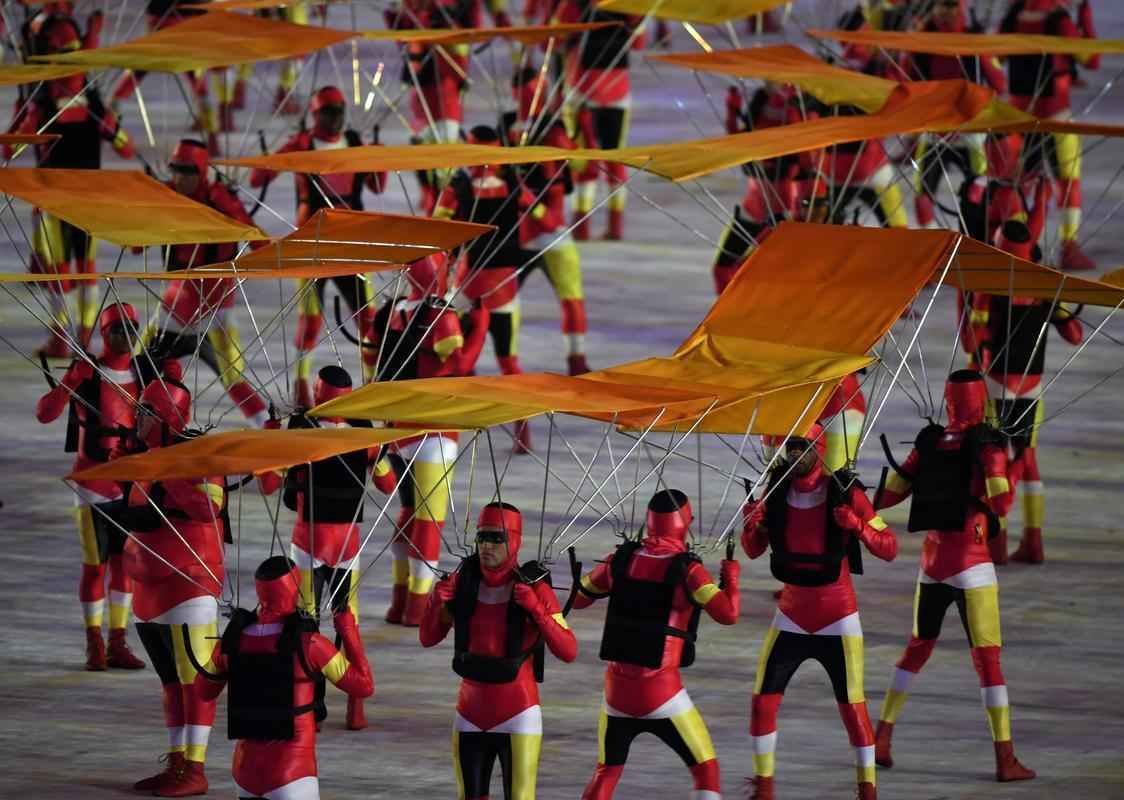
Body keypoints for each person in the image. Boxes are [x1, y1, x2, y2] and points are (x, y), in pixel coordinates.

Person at [872, 369, 1035, 782]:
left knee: (916, 648)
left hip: (932, 565)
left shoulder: (928, 442)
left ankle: (883, 736)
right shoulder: (987, 444)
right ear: (981, 400)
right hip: (973, 563)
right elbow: (1001, 504)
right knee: (988, 661)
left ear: (948, 402)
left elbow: (888, 495)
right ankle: (1005, 757)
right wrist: (1018, 464)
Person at [741, 425, 898, 800]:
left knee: (852, 709)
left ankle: (868, 790)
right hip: (792, 614)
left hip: (837, 618)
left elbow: (889, 548)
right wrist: (753, 524)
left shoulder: (845, 492)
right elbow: (751, 550)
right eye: (790, 447)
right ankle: (764, 789)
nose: (795, 454)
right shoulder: (775, 491)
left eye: (802, 447)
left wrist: (858, 526)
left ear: (819, 448)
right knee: (762, 703)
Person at [573, 489, 740, 799]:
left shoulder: (620, 560)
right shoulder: (688, 571)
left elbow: (579, 599)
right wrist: (732, 579)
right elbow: (729, 614)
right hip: (661, 693)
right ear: (684, 522)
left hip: (617, 694)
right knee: (706, 770)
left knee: (607, 770)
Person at [420, 502, 578, 799]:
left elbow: (569, 650)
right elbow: (428, 638)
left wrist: (537, 610)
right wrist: (435, 604)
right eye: (481, 537)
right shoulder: (463, 583)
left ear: (515, 540)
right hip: (469, 713)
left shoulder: (534, 587)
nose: (486, 546)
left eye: (496, 538)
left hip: (518, 714)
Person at [120, 369, 228, 797]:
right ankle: (178, 761)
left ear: (167, 415)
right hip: (149, 594)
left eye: (145, 410)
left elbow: (207, 508)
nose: (136, 417)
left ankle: (196, 769)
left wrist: (169, 476)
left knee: (194, 684)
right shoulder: (144, 458)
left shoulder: (200, 458)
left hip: (190, 588)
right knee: (170, 685)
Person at [248, 86, 388, 403]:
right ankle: (301, 389)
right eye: (329, 113)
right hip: (312, 246)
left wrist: (378, 159)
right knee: (310, 322)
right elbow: (257, 180)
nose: (336, 119)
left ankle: (373, 385)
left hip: (350, 245)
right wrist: (272, 159)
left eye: (340, 111)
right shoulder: (302, 144)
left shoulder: (353, 143)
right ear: (315, 115)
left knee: (370, 321)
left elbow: (377, 186)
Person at [370, 257, 490, 626]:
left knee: (408, 515)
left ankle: (398, 601)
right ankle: (418, 609)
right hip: (434, 432)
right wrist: (481, 328)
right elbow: (459, 366)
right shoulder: (439, 315)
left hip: (397, 430)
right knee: (429, 522)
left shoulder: (390, 312)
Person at [6, 9, 133, 357]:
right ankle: (81, 338)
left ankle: (65, 336)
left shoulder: (41, 102)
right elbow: (125, 147)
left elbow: (11, 148)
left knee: (62, 269)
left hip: (57, 200)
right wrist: (112, 125)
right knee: (83, 268)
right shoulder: (90, 102)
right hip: (86, 199)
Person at [194, 555, 374, 800]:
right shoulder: (310, 644)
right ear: (294, 588)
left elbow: (203, 692)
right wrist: (349, 631)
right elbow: (363, 686)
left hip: (244, 771)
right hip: (293, 773)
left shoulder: (234, 639)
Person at [35, 303, 150, 671]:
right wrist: (70, 380)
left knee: (125, 566)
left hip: (131, 485)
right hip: (92, 486)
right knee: (95, 566)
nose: (127, 337)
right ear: (105, 333)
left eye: (133, 329)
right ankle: (94, 641)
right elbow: (45, 413)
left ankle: (118, 640)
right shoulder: (89, 373)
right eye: (119, 329)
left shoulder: (145, 374)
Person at [283, 365, 395, 729]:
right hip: (347, 544)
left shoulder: (301, 429)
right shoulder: (364, 433)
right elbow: (389, 486)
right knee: (348, 623)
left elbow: (273, 484)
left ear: (320, 393)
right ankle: (354, 704)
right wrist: (381, 453)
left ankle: (309, 705)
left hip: (309, 542)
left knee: (306, 625)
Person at [968, 222, 1083, 564]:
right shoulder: (1044, 284)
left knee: (994, 461)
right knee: (1028, 461)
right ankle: (1034, 541)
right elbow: (1075, 335)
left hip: (996, 384)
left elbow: (973, 340)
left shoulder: (990, 284)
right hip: (1033, 387)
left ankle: (997, 543)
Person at [142, 138, 270, 427]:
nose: (179, 178)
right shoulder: (168, 196)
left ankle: (270, 433)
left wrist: (233, 216)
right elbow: (137, 245)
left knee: (234, 379)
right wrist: (145, 206)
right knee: (138, 371)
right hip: (173, 310)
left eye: (187, 171)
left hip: (214, 314)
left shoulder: (221, 199)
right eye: (175, 170)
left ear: (201, 171)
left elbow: (261, 244)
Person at [434, 125, 538, 451]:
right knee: (507, 360)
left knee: (459, 355)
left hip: (475, 285)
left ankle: (466, 416)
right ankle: (522, 429)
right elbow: (539, 211)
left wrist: (443, 272)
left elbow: (438, 226)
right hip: (500, 286)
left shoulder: (460, 185)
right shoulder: (511, 184)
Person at [1000, 0, 1100, 270]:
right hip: (1055, 119)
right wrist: (1086, 17)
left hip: (1018, 117)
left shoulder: (1013, 17)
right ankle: (1068, 247)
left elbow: (994, 60)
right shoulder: (1060, 21)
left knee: (1018, 184)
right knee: (1067, 183)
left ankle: (1015, 245)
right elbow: (1091, 59)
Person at [508, 67, 591, 376]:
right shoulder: (540, 131)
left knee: (505, 302)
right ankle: (574, 358)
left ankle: (575, 358)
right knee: (505, 302)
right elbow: (582, 163)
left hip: (538, 233)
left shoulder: (534, 130)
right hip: (535, 234)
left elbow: (579, 164)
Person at [908, 0, 1006, 229]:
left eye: (951, 5)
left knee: (980, 189)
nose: (945, 11)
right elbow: (907, 82)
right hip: (935, 131)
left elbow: (999, 83)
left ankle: (975, 237)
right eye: (940, 5)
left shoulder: (974, 39)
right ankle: (930, 242)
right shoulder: (921, 42)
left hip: (970, 130)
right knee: (921, 191)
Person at [557, 3, 643, 240]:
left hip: (581, 90)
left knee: (584, 158)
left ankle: (581, 225)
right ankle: (615, 225)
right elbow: (638, 43)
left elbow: (555, 39)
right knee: (615, 157)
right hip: (617, 90)